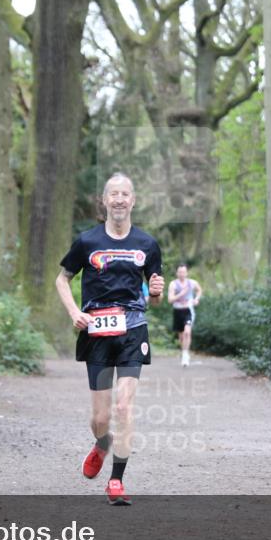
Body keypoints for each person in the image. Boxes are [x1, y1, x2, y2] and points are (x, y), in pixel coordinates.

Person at [55, 173, 164, 505]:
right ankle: (102, 444)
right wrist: (75, 312)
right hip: (97, 333)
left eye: (125, 194)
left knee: (123, 407)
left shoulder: (148, 244)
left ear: (133, 200)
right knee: (101, 418)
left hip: (133, 331)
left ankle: (116, 481)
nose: (119, 199)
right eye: (113, 194)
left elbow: (155, 295)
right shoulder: (87, 241)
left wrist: (158, 294)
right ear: (104, 201)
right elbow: (62, 279)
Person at [167, 263, 202, 367]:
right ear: (177, 273)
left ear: (187, 273)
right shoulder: (173, 284)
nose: (182, 274)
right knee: (181, 336)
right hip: (177, 311)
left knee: (187, 332)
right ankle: (184, 352)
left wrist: (196, 299)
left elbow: (199, 290)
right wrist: (181, 294)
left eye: (183, 272)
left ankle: (185, 354)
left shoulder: (192, 283)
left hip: (188, 310)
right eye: (180, 272)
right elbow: (170, 300)